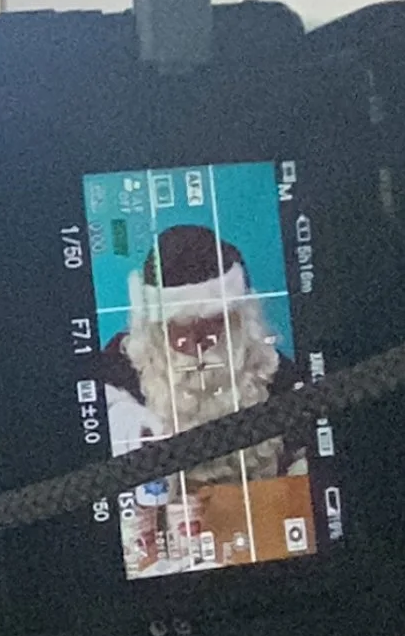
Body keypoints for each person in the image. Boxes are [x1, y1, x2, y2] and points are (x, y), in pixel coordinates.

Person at [100, 219, 303, 578]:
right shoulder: (121, 372)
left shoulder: (273, 373)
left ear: (239, 318)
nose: (198, 346)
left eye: (212, 324)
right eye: (180, 328)